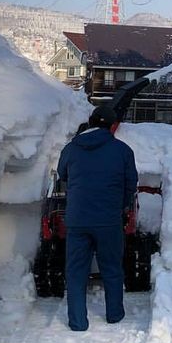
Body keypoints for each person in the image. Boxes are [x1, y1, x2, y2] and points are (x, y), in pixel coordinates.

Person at [56, 105, 138, 331]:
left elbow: (62, 175)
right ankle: (114, 315)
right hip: (109, 221)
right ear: (112, 126)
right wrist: (118, 206)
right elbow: (131, 185)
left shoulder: (71, 148)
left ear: (91, 123)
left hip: (77, 220)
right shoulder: (123, 150)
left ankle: (78, 322)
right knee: (111, 268)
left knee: (75, 271)